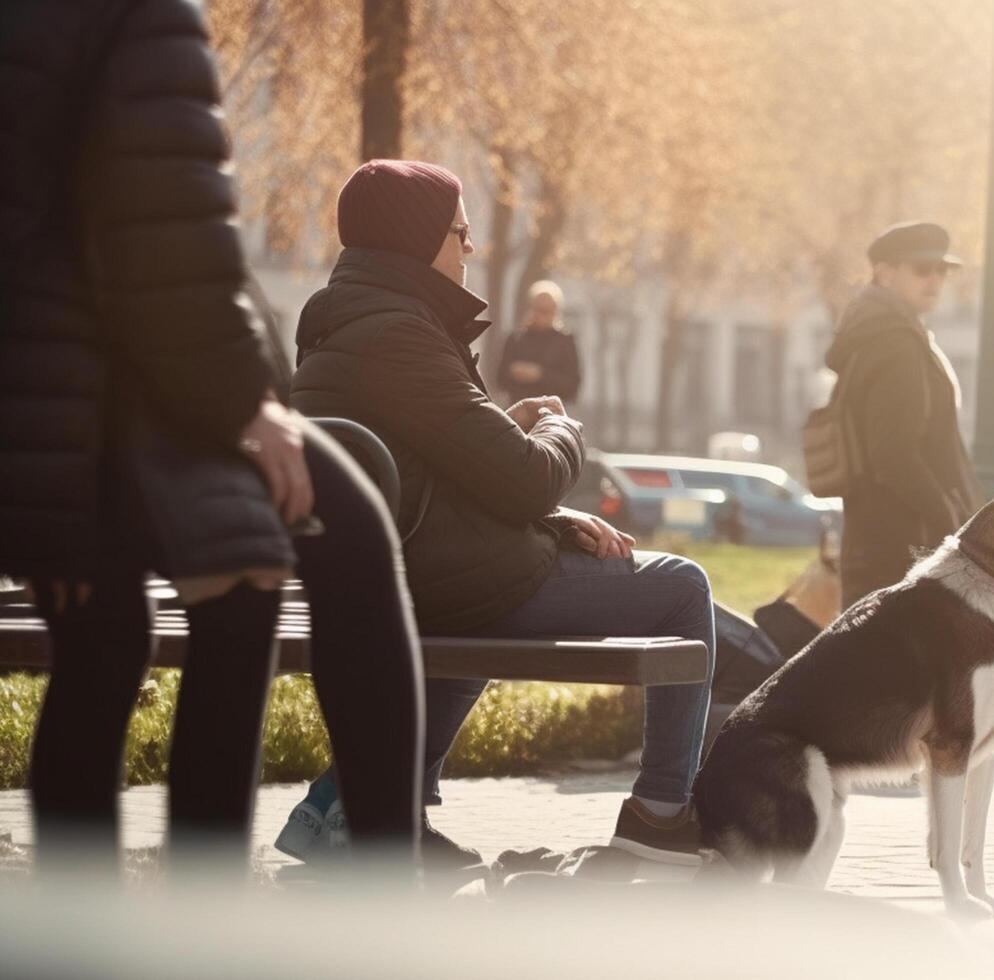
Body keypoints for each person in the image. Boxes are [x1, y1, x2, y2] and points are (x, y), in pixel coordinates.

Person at [0, 0, 424, 877]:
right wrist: (244, 400)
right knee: (257, 568)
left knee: (109, 632)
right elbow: (167, 220)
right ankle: (313, 911)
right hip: (96, 377)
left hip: (79, 372)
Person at [282, 160, 716, 871]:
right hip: (439, 579)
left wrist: (545, 508)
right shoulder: (403, 335)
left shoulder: (343, 324)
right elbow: (522, 481)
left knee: (483, 593)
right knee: (682, 588)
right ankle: (661, 813)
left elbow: (445, 473)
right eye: (460, 233)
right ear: (418, 240)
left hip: (396, 570)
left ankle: (352, 809)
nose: (470, 249)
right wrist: (560, 429)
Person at [826, 221, 982, 605]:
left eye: (941, 271)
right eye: (921, 269)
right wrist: (949, 520)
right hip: (905, 548)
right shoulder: (895, 344)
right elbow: (892, 455)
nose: (934, 280)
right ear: (883, 272)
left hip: (885, 541)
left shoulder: (885, 333)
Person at [494, 280, 583, 407]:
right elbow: (500, 380)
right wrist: (514, 372)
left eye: (547, 310)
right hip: (519, 412)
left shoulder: (565, 340)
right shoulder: (516, 338)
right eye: (539, 309)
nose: (542, 315)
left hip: (552, 415)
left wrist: (540, 375)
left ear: (556, 310)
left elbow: (573, 385)